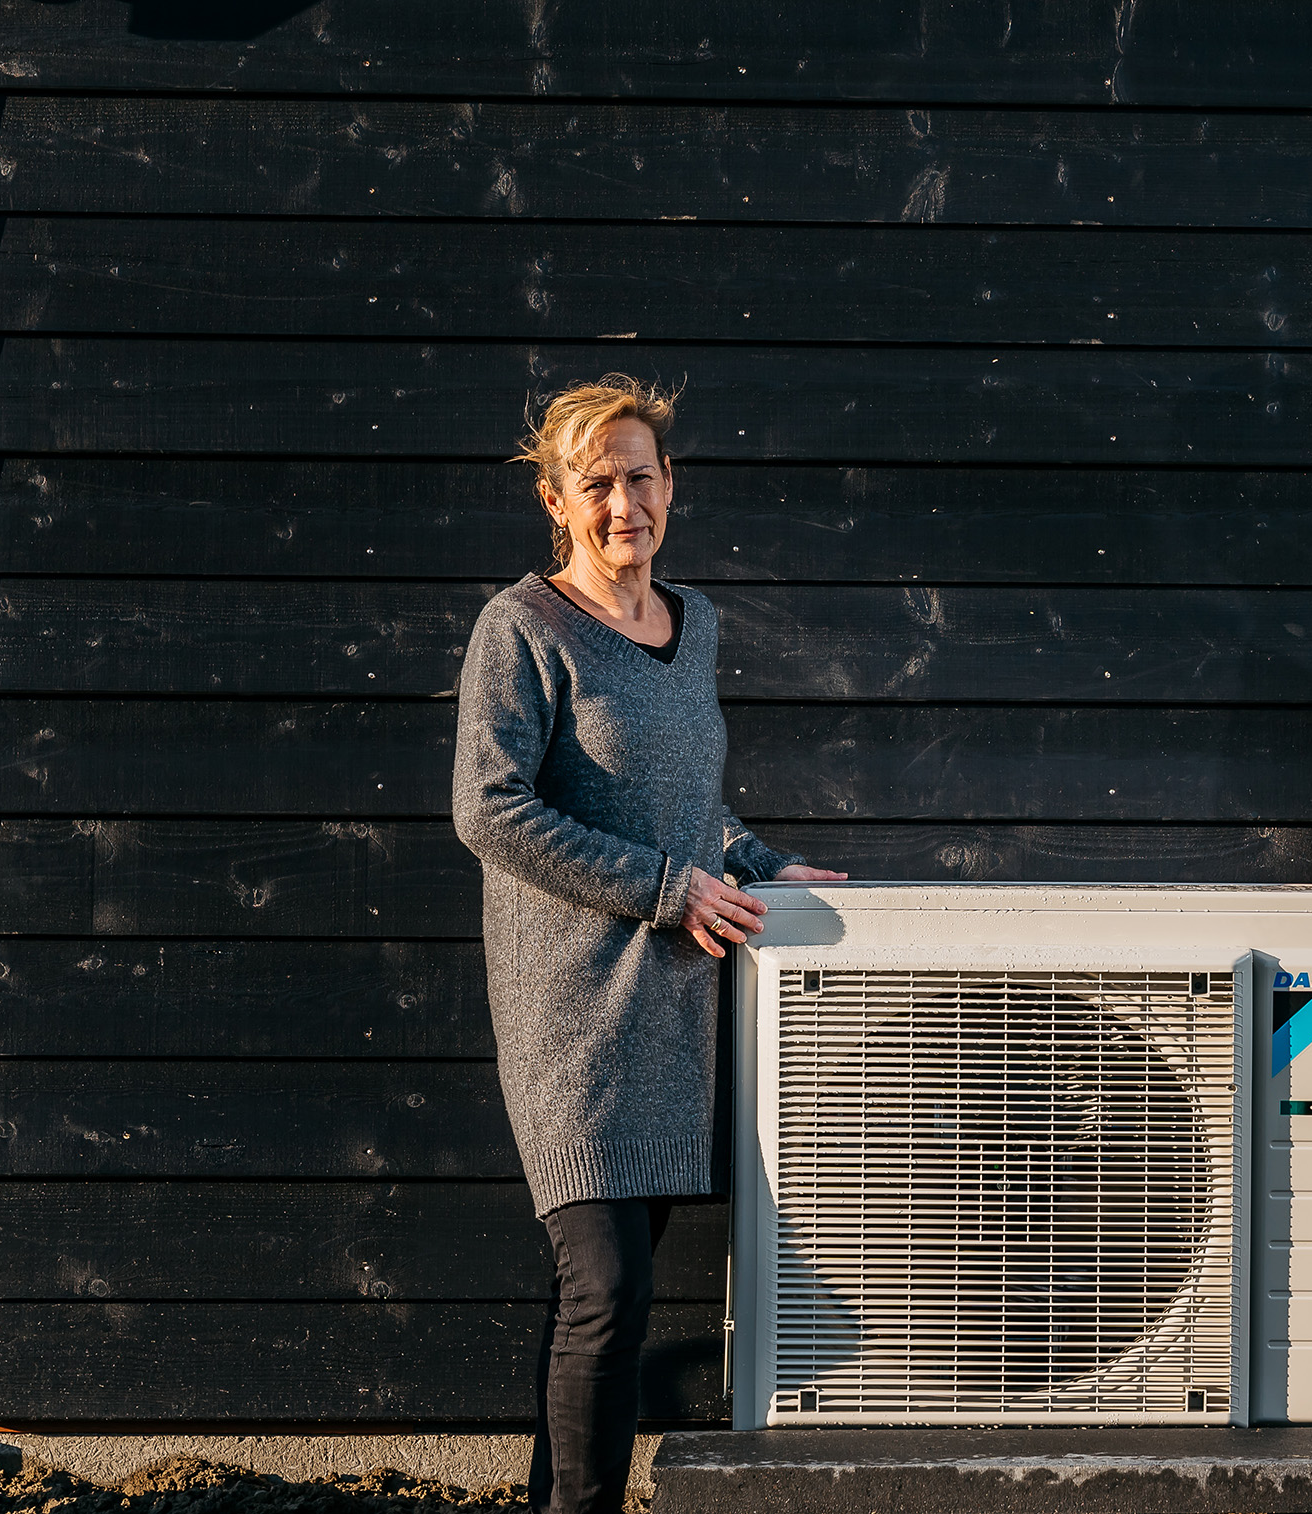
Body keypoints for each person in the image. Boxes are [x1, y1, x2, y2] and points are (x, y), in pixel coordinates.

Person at [453, 374, 847, 1514]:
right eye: (597, 482)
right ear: (555, 498)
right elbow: (490, 807)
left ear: (670, 483)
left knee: (597, 1299)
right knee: (609, 1284)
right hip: (572, 1006)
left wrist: (762, 862)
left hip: (676, 1008)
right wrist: (671, 889)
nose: (623, 502)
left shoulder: (695, 621)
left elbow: (689, 806)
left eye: (640, 475)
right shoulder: (520, 627)